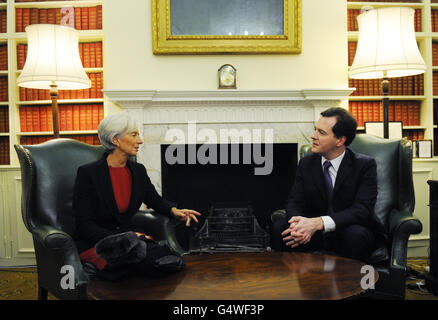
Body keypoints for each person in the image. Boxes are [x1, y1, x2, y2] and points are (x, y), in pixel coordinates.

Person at [73, 112, 201, 271]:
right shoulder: (88, 173)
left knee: (170, 262)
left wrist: (175, 211)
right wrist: (122, 239)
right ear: (116, 140)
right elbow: (84, 224)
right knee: (138, 266)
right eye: (134, 135)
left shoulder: (138, 170)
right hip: (98, 243)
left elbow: (155, 200)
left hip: (131, 240)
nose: (140, 140)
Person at [271, 107, 384, 262]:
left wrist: (319, 223)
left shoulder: (364, 165)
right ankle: (296, 283)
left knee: (357, 235)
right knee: (280, 228)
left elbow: (362, 210)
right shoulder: (306, 163)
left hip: (345, 228)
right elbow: (294, 201)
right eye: (315, 130)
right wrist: (298, 226)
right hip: (312, 234)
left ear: (340, 140)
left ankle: (353, 284)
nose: (313, 136)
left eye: (321, 133)